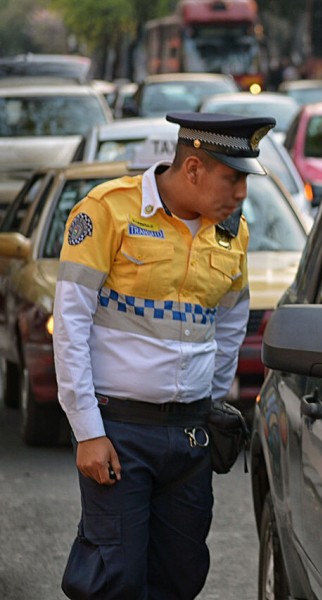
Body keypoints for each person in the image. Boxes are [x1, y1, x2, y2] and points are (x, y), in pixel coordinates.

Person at [53, 112, 275, 599]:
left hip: (190, 434)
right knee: (116, 578)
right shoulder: (108, 212)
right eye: (232, 178)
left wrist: (215, 400)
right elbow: (69, 326)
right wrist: (88, 432)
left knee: (181, 573)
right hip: (120, 432)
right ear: (193, 167)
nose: (240, 193)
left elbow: (233, 317)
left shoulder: (231, 232)